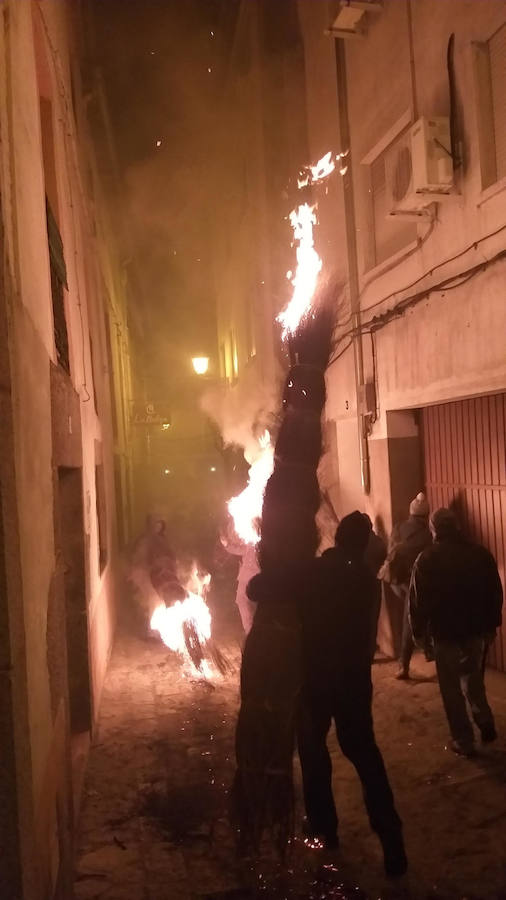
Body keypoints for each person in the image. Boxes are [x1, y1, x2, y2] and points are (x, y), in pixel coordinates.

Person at [297, 511, 407, 878]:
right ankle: (392, 840)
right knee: (364, 753)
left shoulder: (317, 571)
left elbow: (259, 588)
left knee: (313, 750)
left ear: (337, 538)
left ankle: (324, 829)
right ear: (362, 545)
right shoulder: (365, 580)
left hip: (316, 678)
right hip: (354, 679)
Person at [410, 507, 503, 757]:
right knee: (474, 680)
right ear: (457, 526)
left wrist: (419, 634)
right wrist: (492, 625)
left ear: (434, 529)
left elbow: (417, 601)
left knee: (450, 688)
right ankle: (485, 723)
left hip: (445, 632)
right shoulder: (480, 554)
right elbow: (495, 591)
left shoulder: (426, 559)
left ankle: (463, 739)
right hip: (475, 630)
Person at [380, 492, 431, 679]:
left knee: (413, 615)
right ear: (426, 515)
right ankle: (404, 663)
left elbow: (390, 550)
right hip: (413, 582)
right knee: (410, 619)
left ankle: (423, 650)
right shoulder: (427, 535)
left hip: (395, 581)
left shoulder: (398, 527)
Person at [220, 521, 259, 634]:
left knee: (251, 603)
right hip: (246, 577)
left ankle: (253, 631)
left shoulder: (261, 543)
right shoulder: (251, 542)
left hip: (255, 577)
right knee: (241, 600)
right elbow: (238, 549)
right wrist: (226, 544)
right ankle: (249, 630)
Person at [363, 513, 387, 657]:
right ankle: (371, 650)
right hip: (374, 585)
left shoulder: (357, 543)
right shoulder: (378, 542)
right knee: (373, 619)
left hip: (358, 586)